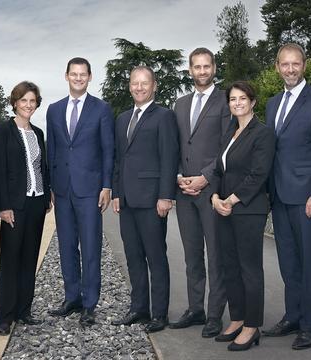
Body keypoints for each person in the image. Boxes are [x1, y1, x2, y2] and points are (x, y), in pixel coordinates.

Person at [262, 43, 311, 350]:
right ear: (277, 67)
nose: (290, 69)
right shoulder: (272, 103)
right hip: (279, 197)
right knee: (288, 263)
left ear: (304, 65)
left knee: (309, 263)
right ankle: (293, 315)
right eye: (284, 64)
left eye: (295, 64)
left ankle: (309, 325)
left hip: (308, 199)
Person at [46, 57, 114, 326]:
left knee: (90, 247)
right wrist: (51, 185)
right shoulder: (53, 109)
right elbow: (52, 150)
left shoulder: (101, 109)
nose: (78, 78)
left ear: (89, 77)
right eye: (73, 74)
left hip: (90, 189)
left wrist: (107, 185)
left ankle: (89, 303)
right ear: (66, 76)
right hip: (62, 189)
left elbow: (108, 150)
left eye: (82, 74)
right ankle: (71, 298)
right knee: (66, 247)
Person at [111, 66, 179, 333]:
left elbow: (169, 157)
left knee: (156, 258)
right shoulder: (122, 118)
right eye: (135, 83)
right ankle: (139, 308)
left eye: (144, 83)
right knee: (133, 257)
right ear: (130, 86)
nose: (139, 88)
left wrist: (165, 196)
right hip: (127, 201)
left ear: (154, 85)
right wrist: (117, 193)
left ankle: (159, 314)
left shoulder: (164, 116)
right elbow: (119, 159)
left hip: (152, 201)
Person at [208, 81, 275, 351]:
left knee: (249, 269)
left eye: (242, 98)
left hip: (248, 209)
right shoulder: (230, 132)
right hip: (223, 209)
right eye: (233, 99)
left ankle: (252, 325)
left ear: (253, 102)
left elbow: (259, 174)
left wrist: (231, 199)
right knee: (230, 267)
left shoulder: (263, 133)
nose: (237, 103)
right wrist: (214, 198)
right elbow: (217, 171)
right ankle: (237, 318)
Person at [170, 47, 231, 337]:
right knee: (192, 254)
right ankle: (196, 309)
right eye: (197, 67)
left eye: (207, 66)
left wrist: (204, 178)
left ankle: (215, 314)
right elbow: (176, 146)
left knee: (216, 255)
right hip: (184, 193)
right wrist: (179, 177)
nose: (202, 71)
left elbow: (226, 146)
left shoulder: (225, 102)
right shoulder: (179, 104)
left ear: (214, 68)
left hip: (211, 191)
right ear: (190, 69)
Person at [0, 81, 51, 336]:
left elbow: (43, 166)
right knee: (10, 260)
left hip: (37, 203)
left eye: (32, 101)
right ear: (15, 102)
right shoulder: (3, 131)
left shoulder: (38, 133)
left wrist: (47, 193)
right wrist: (3, 207)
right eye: (23, 100)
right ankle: (4, 316)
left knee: (30, 258)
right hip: (14, 207)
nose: (28, 105)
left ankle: (23, 311)